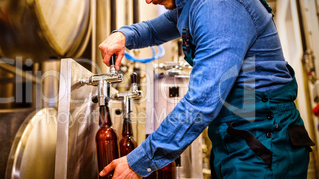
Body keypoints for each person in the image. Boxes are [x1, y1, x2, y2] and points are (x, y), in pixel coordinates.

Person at [98, 0, 315, 178]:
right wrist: (124, 35)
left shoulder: (218, 6)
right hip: (236, 136)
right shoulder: (191, 5)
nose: (147, 1)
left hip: (264, 140)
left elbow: (201, 102)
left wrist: (140, 161)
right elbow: (156, 29)